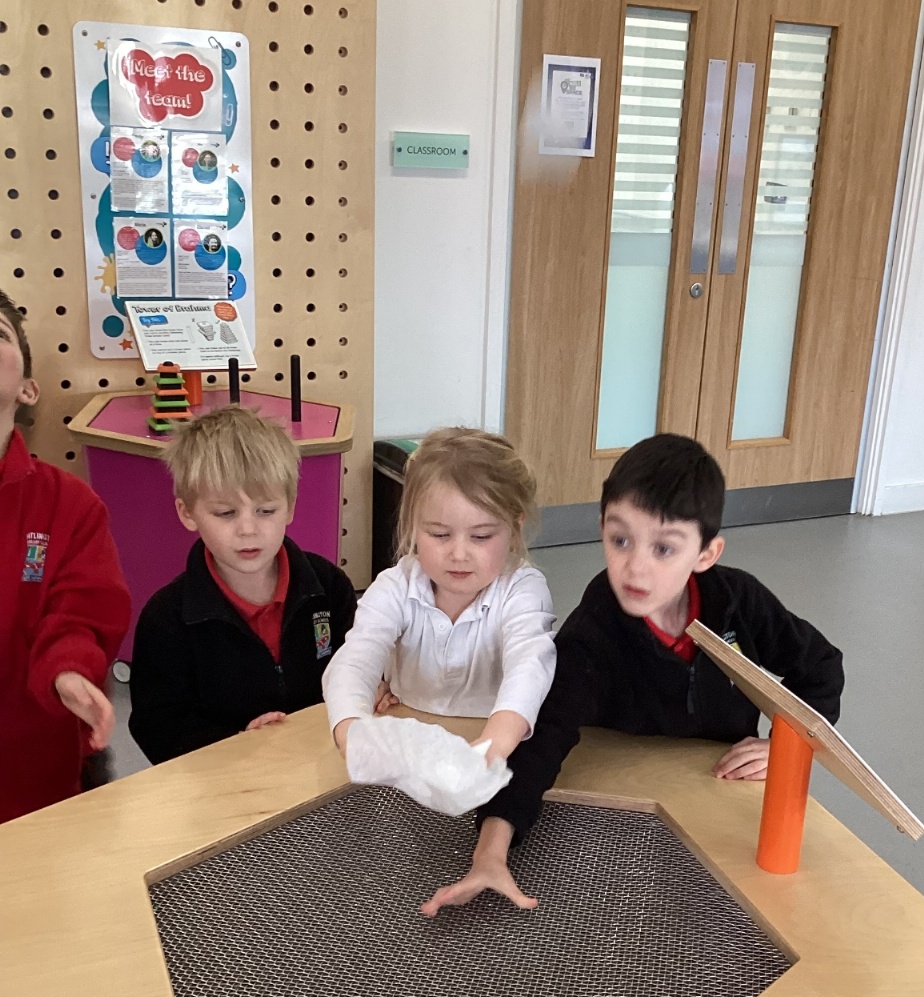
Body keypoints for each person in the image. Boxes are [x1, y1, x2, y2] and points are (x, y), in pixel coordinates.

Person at [420, 433, 844, 918]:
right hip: (620, 805)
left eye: (664, 549)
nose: (635, 568)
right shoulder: (595, 629)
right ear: (601, 528)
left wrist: (788, 745)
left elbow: (820, 666)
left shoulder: (738, 602)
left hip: (720, 793)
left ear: (706, 553)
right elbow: (543, 738)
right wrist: (490, 854)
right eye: (620, 540)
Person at [129, 404, 357, 764]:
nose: (248, 529)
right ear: (187, 513)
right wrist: (236, 744)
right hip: (223, 783)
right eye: (226, 513)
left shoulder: (329, 587)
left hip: (328, 766)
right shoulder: (166, 619)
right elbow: (157, 727)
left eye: (266, 511)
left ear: (290, 507)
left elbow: (357, 673)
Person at [322, 426, 555, 768]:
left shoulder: (522, 589)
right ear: (413, 525)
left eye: (481, 536)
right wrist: (352, 731)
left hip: (493, 748)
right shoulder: (395, 586)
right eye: (440, 534)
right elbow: (355, 661)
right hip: (409, 747)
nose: (458, 554)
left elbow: (530, 667)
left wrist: (492, 746)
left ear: (514, 528)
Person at [0, 289, 131, 824]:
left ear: (27, 389)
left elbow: (81, 614)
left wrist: (69, 671)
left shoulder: (70, 506)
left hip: (39, 786)